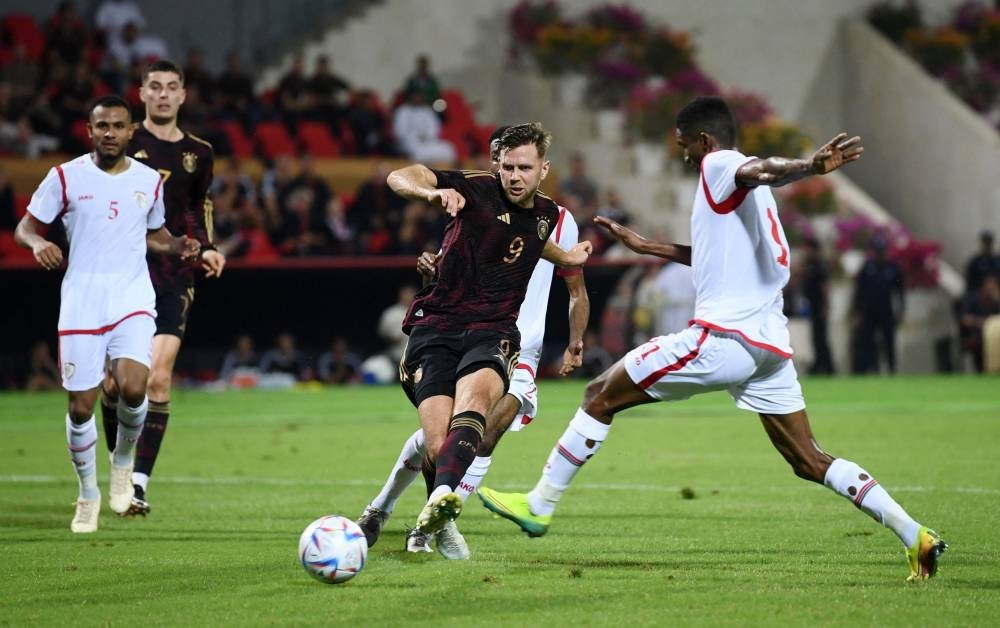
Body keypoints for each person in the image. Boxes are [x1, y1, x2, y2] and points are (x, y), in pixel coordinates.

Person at [479, 96, 946, 582]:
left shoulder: (721, 164)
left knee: (599, 395)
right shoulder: (751, 201)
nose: (683, 156)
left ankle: (540, 503)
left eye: (684, 147)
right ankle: (915, 534)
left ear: (704, 141)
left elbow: (757, 168)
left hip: (724, 339)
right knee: (809, 459)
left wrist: (810, 166)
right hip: (769, 348)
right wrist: (648, 246)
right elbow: (716, 253)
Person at [357, 126, 590, 558]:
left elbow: (549, 253)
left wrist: (575, 330)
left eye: (525, 167)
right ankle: (392, 508)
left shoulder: (552, 217)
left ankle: (441, 513)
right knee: (438, 440)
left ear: (543, 169)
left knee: (482, 421)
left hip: (500, 334)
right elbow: (401, 177)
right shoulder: (475, 188)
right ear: (495, 164)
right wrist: (430, 197)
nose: (515, 175)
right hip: (437, 327)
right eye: (507, 166)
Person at [14, 94, 199, 532]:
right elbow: (25, 227)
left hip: (132, 298)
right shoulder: (64, 176)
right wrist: (38, 243)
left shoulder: (149, 180)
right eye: (102, 126)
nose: (110, 133)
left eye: (118, 126)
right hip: (81, 300)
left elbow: (153, 234)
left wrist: (177, 245)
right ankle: (87, 493)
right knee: (81, 407)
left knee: (136, 387)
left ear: (131, 131)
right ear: (90, 130)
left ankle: (121, 465)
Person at [100, 60, 225, 517]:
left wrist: (207, 247)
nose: (164, 94)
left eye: (172, 87)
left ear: (183, 95)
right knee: (114, 385)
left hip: (174, 274)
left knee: (156, 377)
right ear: (142, 94)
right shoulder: (123, 144)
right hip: (124, 271)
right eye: (155, 87)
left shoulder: (199, 152)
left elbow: (200, 204)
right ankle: (119, 467)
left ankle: (136, 482)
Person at [851, 234, 904, 374]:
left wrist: (901, 311)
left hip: (886, 310)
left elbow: (899, 292)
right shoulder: (867, 267)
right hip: (869, 311)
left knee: (888, 341)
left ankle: (892, 368)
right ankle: (872, 369)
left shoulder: (892, 268)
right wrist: (857, 311)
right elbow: (859, 291)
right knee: (868, 341)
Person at [801, 237, 835, 375]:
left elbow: (825, 287)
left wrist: (825, 306)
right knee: (816, 337)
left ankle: (827, 366)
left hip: (820, 306)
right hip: (813, 306)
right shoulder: (809, 265)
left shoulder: (820, 267)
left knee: (821, 337)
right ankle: (820, 364)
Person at [959, 274, 1000, 373]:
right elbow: (965, 319)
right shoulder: (973, 298)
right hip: (978, 333)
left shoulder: (995, 300)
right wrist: (982, 322)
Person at [376, 284, 419, 363]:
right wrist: (392, 337)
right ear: (401, 295)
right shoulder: (391, 313)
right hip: (396, 355)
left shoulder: (420, 311)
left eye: (411, 293)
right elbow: (383, 333)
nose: (409, 296)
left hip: (417, 354)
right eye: (406, 293)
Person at [964, 230, 1000, 296]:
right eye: (985, 242)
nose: (987, 245)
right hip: (978, 293)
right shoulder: (975, 261)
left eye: (988, 242)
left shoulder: (997, 260)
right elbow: (970, 281)